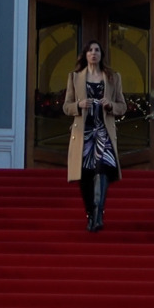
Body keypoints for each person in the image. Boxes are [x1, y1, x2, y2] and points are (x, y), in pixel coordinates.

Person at [63, 39, 126, 232]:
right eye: (90, 50)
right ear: (85, 54)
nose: (93, 53)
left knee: (102, 169)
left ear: (101, 55)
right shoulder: (75, 77)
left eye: (97, 50)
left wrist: (110, 105)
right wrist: (78, 105)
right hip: (84, 134)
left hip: (103, 133)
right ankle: (90, 213)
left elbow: (122, 107)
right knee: (85, 175)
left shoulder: (113, 77)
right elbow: (66, 106)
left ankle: (98, 214)